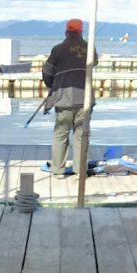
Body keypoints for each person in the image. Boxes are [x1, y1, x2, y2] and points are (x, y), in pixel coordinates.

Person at [42, 18, 98, 179]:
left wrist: (51, 84)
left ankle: (58, 171)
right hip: (85, 99)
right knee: (81, 135)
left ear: (67, 31)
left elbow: (47, 72)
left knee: (61, 134)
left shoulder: (58, 49)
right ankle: (80, 171)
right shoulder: (90, 47)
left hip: (63, 99)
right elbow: (94, 62)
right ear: (81, 32)